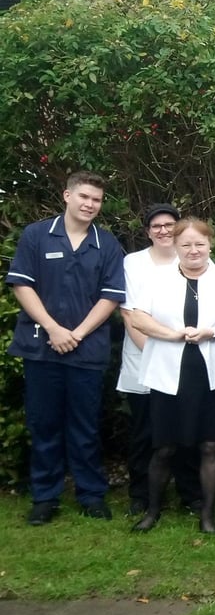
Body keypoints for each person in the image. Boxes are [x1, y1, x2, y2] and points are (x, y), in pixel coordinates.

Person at [6, 171, 126, 525]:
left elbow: (111, 297)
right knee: (44, 424)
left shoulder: (106, 244)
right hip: (40, 347)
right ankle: (45, 497)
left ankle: (91, 494)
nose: (90, 204)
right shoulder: (37, 235)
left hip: (87, 352)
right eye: (84, 197)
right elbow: (22, 286)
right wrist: (54, 329)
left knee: (85, 426)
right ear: (67, 195)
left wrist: (78, 333)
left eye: (97, 200)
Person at [126, 218, 215, 534]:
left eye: (199, 244)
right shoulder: (157, 278)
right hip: (169, 373)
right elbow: (137, 317)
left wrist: (214, 332)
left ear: (211, 245)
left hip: (213, 375)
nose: (193, 250)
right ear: (176, 246)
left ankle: (207, 516)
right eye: (186, 245)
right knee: (164, 447)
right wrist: (169, 334)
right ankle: (152, 511)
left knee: (210, 445)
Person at [117, 203, 203, 518]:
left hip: (186, 364)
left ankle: (190, 493)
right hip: (143, 359)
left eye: (170, 225)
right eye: (157, 226)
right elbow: (129, 314)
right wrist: (154, 351)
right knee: (145, 432)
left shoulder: (193, 260)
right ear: (148, 232)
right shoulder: (133, 263)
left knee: (187, 431)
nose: (164, 230)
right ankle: (141, 494)